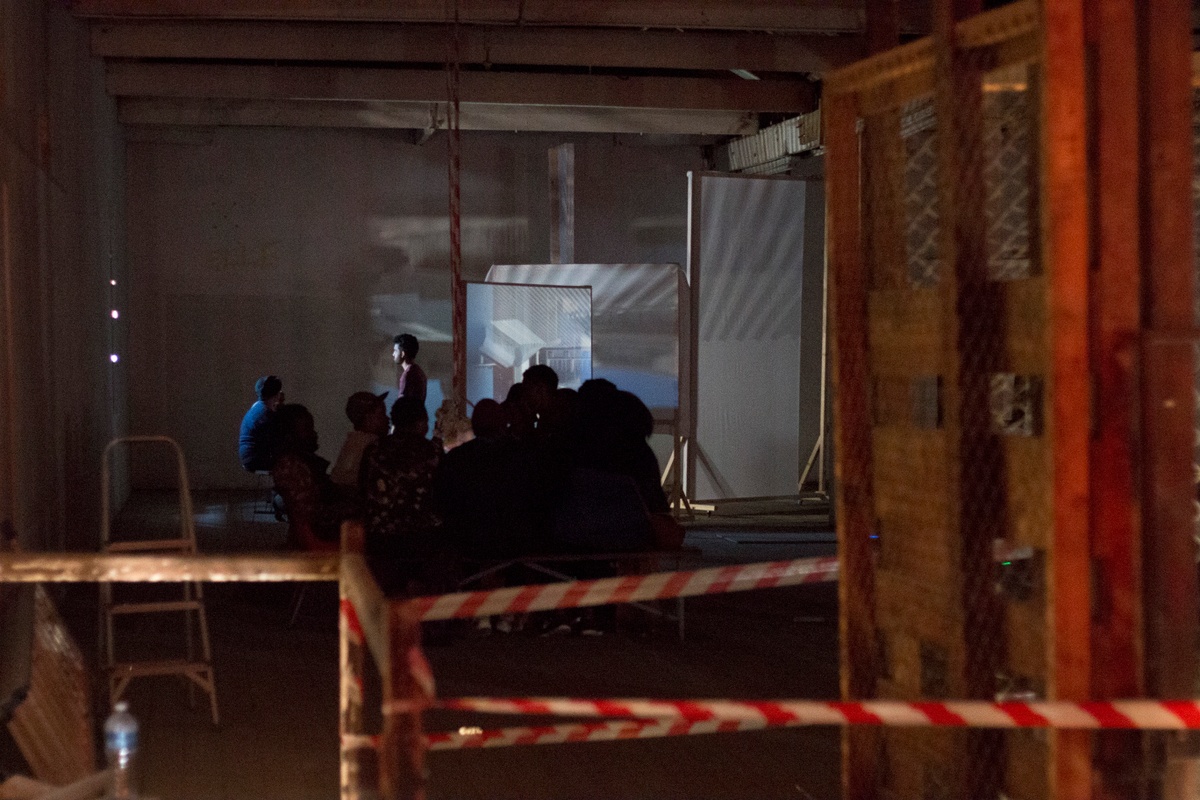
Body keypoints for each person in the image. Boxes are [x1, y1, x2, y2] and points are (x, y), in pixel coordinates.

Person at [361, 396, 442, 560]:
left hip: (379, 536)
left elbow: (362, 489)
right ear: (421, 422)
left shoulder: (373, 450)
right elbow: (443, 493)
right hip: (422, 538)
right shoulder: (431, 451)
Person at [270, 404, 356, 551]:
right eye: (307, 429)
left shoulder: (298, 461)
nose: (314, 434)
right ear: (290, 436)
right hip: (318, 536)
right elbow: (311, 516)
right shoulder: (292, 465)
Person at [330, 391, 389, 490]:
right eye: (382, 414)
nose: (387, 419)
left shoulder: (353, 442)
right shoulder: (367, 444)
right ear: (368, 417)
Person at [238, 375, 284, 472]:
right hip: (255, 459)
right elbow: (276, 438)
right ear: (276, 394)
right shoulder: (265, 413)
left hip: (249, 458)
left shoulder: (257, 408)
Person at [393, 333, 428, 404]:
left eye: (395, 351)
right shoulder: (418, 371)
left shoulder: (408, 375)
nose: (393, 354)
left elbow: (402, 405)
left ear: (402, 354)